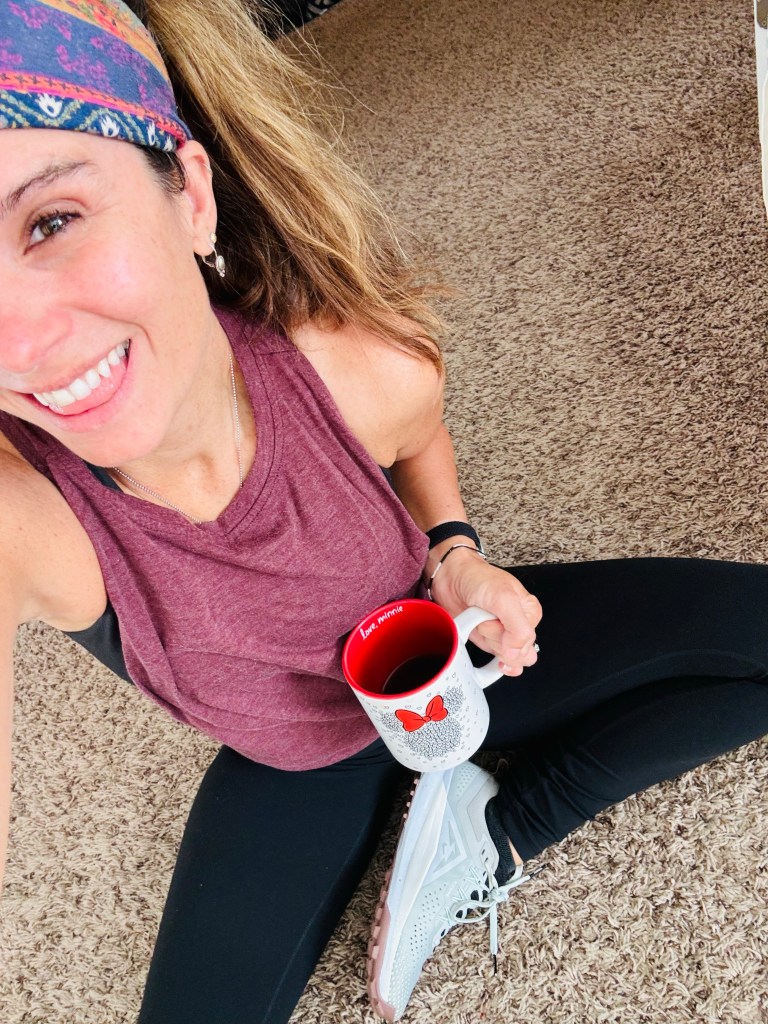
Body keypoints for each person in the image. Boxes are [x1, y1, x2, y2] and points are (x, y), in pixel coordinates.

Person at [0, 2, 766, 1022]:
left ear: (190, 194)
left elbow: (419, 436)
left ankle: (502, 828)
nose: (18, 341)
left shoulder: (361, 365)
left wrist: (456, 552)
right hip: (292, 763)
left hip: (440, 658)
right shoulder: (27, 514)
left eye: (51, 221)